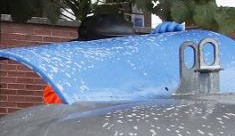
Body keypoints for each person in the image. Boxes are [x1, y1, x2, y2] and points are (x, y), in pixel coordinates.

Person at [42, 15, 186, 104]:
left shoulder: (138, 74)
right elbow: (60, 104)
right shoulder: (67, 80)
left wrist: (167, 53)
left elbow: (171, 93)